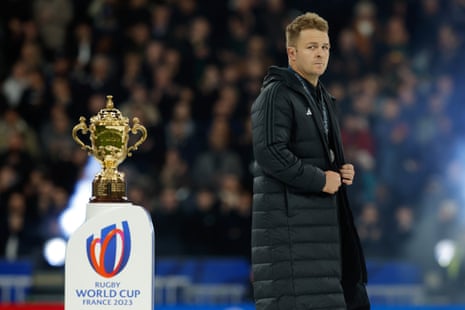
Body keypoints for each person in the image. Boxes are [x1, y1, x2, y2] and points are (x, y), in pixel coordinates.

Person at [250, 12, 370, 310]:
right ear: (292, 53)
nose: (320, 54)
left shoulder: (322, 98)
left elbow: (315, 155)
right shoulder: (276, 94)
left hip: (321, 238)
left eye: (325, 47)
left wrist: (340, 170)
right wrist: (321, 179)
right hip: (293, 239)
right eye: (311, 47)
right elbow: (270, 153)